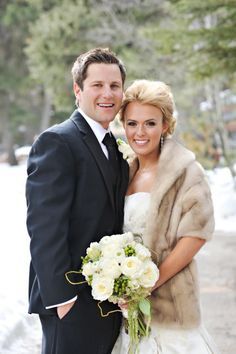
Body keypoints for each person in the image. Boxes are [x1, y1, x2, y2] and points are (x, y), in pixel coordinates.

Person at [26, 48, 129, 354]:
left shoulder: (117, 147)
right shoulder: (57, 141)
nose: (107, 93)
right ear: (78, 90)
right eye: (97, 85)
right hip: (71, 304)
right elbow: (44, 227)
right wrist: (63, 299)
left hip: (108, 300)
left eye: (114, 86)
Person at [112, 80, 220, 353]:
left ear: (166, 125)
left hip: (170, 306)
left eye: (150, 123)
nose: (140, 132)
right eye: (132, 123)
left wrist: (148, 283)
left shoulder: (186, 171)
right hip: (127, 313)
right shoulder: (124, 172)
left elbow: (196, 234)